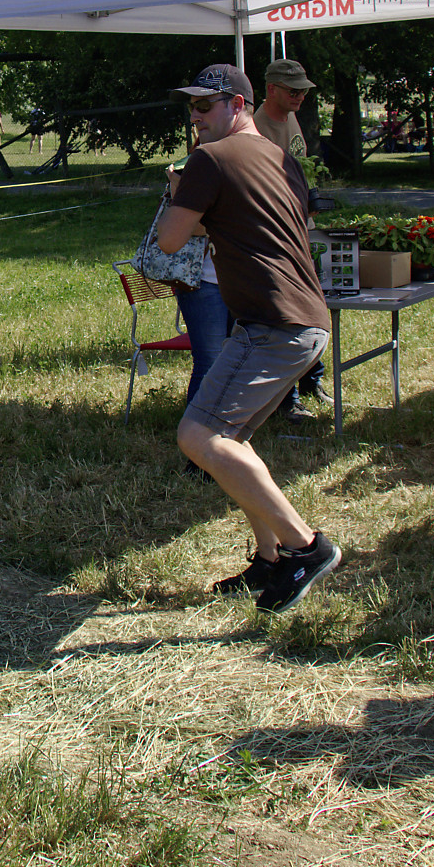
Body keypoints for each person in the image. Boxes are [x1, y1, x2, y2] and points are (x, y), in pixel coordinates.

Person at [157, 64, 341, 615]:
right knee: (232, 438)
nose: (195, 116)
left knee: (200, 436)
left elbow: (170, 240)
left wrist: (179, 191)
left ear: (237, 104)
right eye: (191, 106)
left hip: (273, 325)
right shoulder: (280, 158)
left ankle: (306, 548)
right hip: (303, 322)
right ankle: (268, 559)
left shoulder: (209, 160)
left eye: (205, 105)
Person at [254, 59, 329, 419]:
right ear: (271, 89)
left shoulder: (290, 117)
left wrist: (311, 199)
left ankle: (312, 380)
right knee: (288, 316)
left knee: (313, 306)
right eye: (293, 90)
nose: (300, 96)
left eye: (304, 91)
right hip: (277, 235)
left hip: (300, 228)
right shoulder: (257, 127)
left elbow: (300, 166)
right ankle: (286, 399)